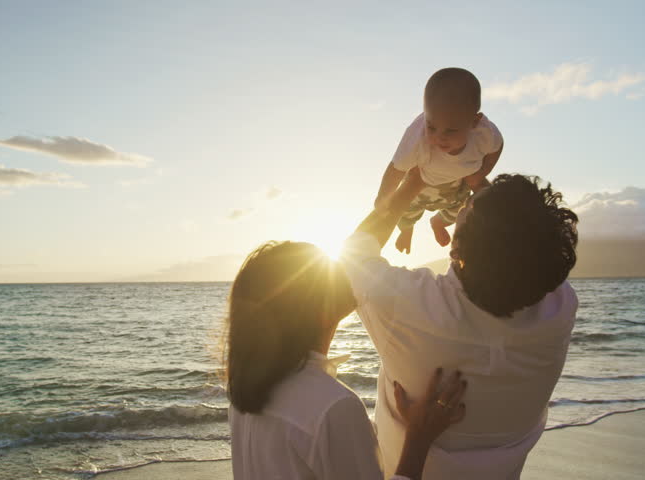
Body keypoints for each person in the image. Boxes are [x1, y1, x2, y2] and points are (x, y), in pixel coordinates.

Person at [343, 170, 579, 479]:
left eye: (468, 207)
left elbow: (354, 253)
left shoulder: (408, 304)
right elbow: (522, 245)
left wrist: (410, 186)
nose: (466, 203)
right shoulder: (559, 309)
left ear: (455, 250)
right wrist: (484, 195)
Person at [225, 241, 469, 480]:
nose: (341, 272)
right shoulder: (334, 407)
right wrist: (418, 438)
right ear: (320, 311)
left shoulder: (244, 392)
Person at [373, 67, 504, 254]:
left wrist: (483, 171)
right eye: (431, 126)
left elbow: (497, 147)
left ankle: (438, 223)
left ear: (474, 123)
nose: (439, 137)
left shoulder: (484, 134)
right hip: (424, 182)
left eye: (451, 131)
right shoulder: (418, 138)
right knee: (407, 209)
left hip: (460, 183)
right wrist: (382, 197)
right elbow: (396, 168)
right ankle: (406, 230)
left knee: (461, 209)